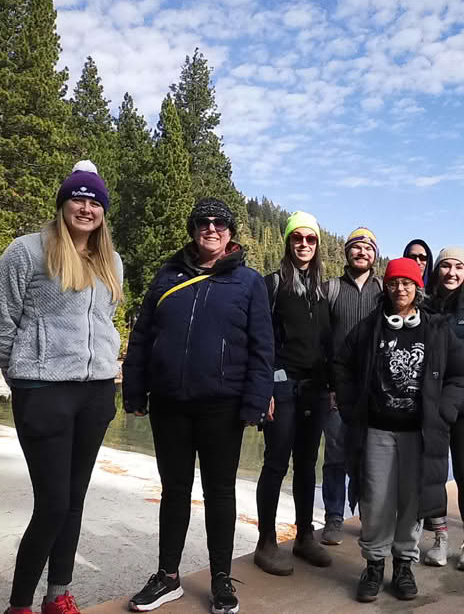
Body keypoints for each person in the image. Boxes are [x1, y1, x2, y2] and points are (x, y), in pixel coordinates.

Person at [123, 197, 274, 614]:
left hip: (221, 407)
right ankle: (168, 576)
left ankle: (221, 578)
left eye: (220, 223)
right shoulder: (166, 275)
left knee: (220, 493)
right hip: (169, 402)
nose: (211, 228)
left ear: (231, 232)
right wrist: (134, 390)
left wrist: (255, 402)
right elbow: (142, 337)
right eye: (203, 222)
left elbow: (263, 350)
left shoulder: (249, 282)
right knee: (174, 490)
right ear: (193, 229)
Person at [0, 161, 123, 614]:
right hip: (43, 390)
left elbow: (104, 323)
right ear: (62, 202)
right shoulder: (26, 251)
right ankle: (19, 606)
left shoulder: (111, 261)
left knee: (74, 500)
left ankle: (58, 595)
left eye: (95, 201)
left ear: (104, 212)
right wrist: (22, 378)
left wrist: (108, 369)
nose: (86, 207)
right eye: (78, 198)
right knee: (52, 503)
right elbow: (4, 321)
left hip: (95, 392)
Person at [334, 258, 464, 603]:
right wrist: (351, 407)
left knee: (411, 501)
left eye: (407, 283)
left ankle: (404, 566)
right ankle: (374, 565)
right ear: (387, 287)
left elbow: (460, 373)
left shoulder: (437, 330)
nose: (400, 289)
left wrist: (445, 410)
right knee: (376, 499)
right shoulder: (369, 329)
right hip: (377, 431)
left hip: (418, 434)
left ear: (417, 288)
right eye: (394, 283)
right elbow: (340, 366)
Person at [254, 211, 332, 576]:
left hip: (315, 388)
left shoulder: (322, 288)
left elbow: (327, 341)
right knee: (275, 462)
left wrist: (332, 385)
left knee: (306, 463)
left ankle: (304, 536)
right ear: (287, 242)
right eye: (297, 238)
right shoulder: (271, 284)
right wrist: (265, 387)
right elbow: (261, 339)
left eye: (310, 239)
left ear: (317, 245)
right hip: (281, 387)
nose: (303, 244)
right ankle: (266, 541)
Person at [424, 248, 464, 571]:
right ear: (437, 271)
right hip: (432, 404)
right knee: (434, 474)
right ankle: (439, 539)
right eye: (445, 265)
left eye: (458, 267)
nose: (451, 272)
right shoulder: (425, 307)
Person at [320, 227, 382, 546]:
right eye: (356, 247)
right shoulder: (330, 289)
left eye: (368, 248)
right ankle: (333, 517)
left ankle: (367, 514)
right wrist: (329, 385)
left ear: (375, 254)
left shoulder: (385, 291)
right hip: (336, 389)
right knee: (334, 455)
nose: (362, 253)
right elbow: (320, 340)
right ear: (347, 252)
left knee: (369, 454)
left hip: (373, 391)